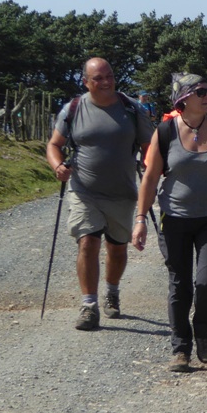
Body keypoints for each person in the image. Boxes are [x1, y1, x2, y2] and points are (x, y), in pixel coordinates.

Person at [132, 73, 207, 372]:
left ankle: (203, 332)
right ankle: (181, 348)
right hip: (174, 219)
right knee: (180, 285)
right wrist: (140, 218)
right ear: (183, 98)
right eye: (200, 92)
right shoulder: (165, 131)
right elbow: (150, 178)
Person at [46, 58, 155, 330]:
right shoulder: (73, 109)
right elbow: (54, 144)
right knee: (87, 242)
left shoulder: (131, 108)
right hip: (84, 191)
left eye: (110, 76)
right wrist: (57, 166)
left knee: (117, 249)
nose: (106, 82)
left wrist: (149, 165)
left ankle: (112, 291)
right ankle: (89, 306)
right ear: (86, 82)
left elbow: (149, 144)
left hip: (122, 192)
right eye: (98, 78)